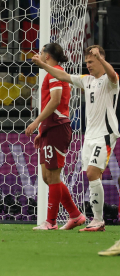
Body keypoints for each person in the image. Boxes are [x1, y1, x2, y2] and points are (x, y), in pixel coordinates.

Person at [32, 45, 119, 232]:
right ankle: (91, 219)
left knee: (92, 174)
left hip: (105, 134)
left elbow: (112, 74)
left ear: (101, 60)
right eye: (86, 61)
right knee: (90, 174)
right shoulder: (86, 80)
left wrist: (102, 59)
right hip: (89, 136)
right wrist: (42, 65)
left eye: (92, 61)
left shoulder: (110, 81)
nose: (88, 65)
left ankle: (97, 220)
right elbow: (62, 76)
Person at [26, 43, 86, 230]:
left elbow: (55, 100)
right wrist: (42, 131)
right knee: (47, 176)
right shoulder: (53, 72)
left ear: (47, 56)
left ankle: (51, 222)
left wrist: (36, 122)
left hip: (58, 127)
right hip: (50, 129)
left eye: (42, 52)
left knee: (53, 176)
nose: (39, 54)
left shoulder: (55, 73)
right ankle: (75, 215)